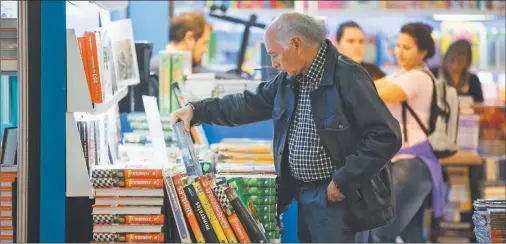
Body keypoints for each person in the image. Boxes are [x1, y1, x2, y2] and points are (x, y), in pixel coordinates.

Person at [170, 13, 402, 242]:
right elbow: (247, 104)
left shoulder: (348, 76)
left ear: (296, 44)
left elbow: (385, 135)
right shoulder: (290, 80)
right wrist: (197, 110)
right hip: (307, 195)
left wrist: (343, 182)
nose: (273, 63)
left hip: (339, 200)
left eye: (275, 55)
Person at [370, 23, 446, 242]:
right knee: (411, 235)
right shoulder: (403, 75)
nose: (399, 51)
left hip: (411, 164)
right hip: (409, 164)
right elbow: (374, 86)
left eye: (407, 47)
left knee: (380, 232)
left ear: (423, 52)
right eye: (398, 45)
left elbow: (376, 92)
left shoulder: (418, 78)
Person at [149, 11, 212, 76]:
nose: (206, 50)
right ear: (189, 38)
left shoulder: (181, 69)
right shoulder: (158, 72)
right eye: (204, 43)